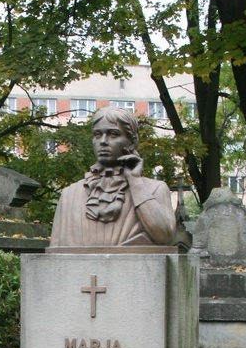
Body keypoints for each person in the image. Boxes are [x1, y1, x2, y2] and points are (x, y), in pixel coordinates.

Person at [48, 106, 181, 249]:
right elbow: (55, 252)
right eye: (97, 134)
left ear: (132, 142)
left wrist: (135, 182)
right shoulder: (70, 194)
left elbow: (164, 237)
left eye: (113, 134)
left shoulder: (155, 189)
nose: (103, 141)